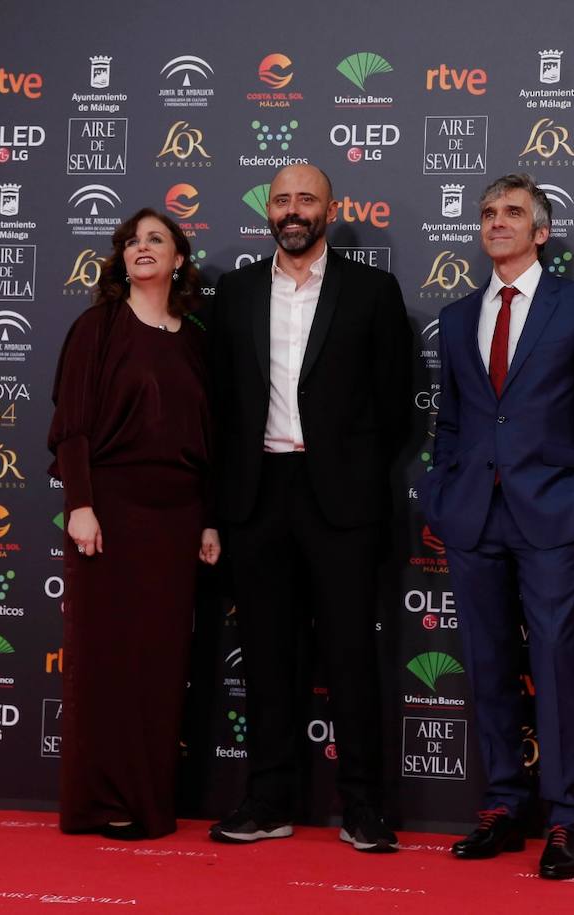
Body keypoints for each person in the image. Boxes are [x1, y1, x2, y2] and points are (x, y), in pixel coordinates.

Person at [422, 174, 574, 879]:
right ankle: (504, 805)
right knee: (487, 665)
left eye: (512, 213)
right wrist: (442, 497)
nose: (496, 223)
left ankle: (567, 818)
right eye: (487, 214)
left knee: (555, 667)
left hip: (552, 514)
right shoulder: (455, 317)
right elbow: (450, 421)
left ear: (541, 232)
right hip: (473, 516)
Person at [208, 164, 412, 853]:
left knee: (352, 655)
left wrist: (348, 465)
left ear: (330, 209)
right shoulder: (234, 292)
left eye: (306, 199)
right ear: (268, 210)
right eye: (281, 199)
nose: (292, 210)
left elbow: (394, 403)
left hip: (342, 500)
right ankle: (268, 798)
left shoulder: (372, 291)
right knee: (266, 656)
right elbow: (219, 403)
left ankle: (363, 806)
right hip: (257, 494)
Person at [48, 208, 221, 840]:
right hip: (111, 512)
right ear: (122, 259)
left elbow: (209, 441)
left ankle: (149, 803)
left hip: (177, 522)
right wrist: (81, 505)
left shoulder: (196, 340)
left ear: (179, 260)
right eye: (131, 241)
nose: (141, 248)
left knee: (159, 663)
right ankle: (103, 802)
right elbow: (72, 425)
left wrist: (208, 520)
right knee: (106, 661)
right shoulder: (98, 327)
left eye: (156, 240)